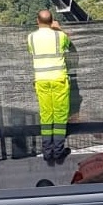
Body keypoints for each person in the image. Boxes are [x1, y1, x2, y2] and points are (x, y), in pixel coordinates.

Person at [28, 9, 71, 164]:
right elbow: (69, 43)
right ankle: (58, 151)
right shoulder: (59, 36)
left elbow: (32, 51)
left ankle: (47, 152)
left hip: (41, 80)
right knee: (60, 116)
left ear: (37, 21)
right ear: (52, 20)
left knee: (46, 116)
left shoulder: (31, 38)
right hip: (58, 79)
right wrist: (58, 28)